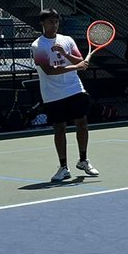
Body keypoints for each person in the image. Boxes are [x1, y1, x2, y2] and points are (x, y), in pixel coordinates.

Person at [31, 9, 99, 182]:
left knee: (82, 123)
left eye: (56, 21)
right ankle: (63, 167)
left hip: (74, 88)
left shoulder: (67, 40)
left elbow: (79, 60)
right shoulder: (37, 46)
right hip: (52, 94)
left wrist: (65, 54)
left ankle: (83, 160)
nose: (54, 25)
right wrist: (76, 66)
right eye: (50, 21)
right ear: (42, 24)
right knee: (59, 128)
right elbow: (49, 71)